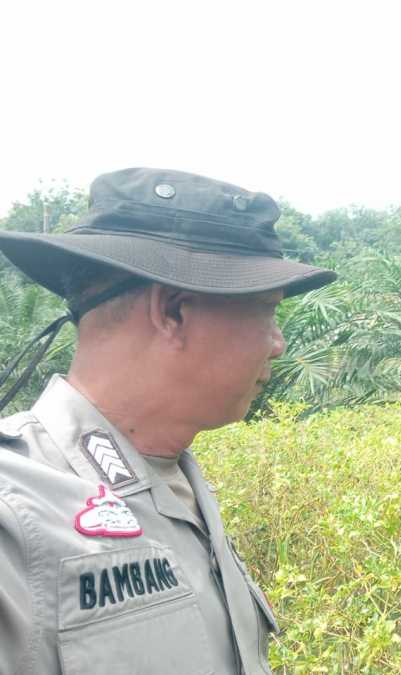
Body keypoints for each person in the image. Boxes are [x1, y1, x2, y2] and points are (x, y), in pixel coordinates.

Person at [0, 168, 337, 675]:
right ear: (174, 312)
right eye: (267, 311)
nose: (278, 343)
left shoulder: (179, 483)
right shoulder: (13, 517)